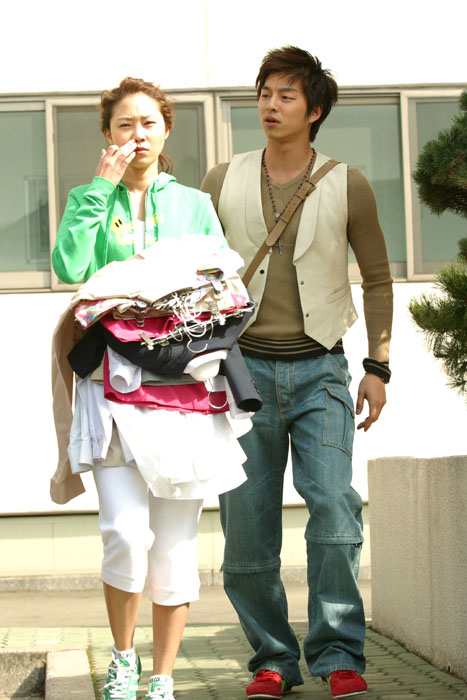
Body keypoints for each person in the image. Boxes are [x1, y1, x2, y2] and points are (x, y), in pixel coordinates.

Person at [201, 46, 393, 699]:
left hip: (321, 371)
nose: (270, 104)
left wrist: (377, 367)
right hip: (241, 376)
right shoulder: (222, 179)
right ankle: (272, 660)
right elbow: (194, 270)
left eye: (285, 95)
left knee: (335, 509)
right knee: (245, 531)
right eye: (264, 93)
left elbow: (376, 279)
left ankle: (338, 654)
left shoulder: (347, 182)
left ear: (314, 110)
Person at [51, 77, 250, 700]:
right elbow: (69, 267)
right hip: (110, 385)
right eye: (124, 124)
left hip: (183, 387)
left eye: (148, 123)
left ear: (165, 131)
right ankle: (122, 659)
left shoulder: (193, 202)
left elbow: (218, 278)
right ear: (108, 134)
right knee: (124, 532)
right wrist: (98, 192)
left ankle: (162, 676)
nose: (136, 135)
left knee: (175, 544)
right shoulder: (90, 197)